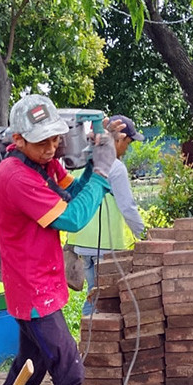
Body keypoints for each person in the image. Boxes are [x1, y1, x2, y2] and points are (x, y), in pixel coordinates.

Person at [0, 94, 123, 385]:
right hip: (32, 291)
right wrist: (105, 174)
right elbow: (75, 219)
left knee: (31, 367)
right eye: (41, 141)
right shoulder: (15, 176)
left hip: (43, 284)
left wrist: (96, 164)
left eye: (55, 139)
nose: (51, 147)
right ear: (18, 139)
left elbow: (72, 195)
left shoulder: (44, 165)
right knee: (69, 367)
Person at [70, 114, 148, 315]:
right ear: (119, 138)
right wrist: (145, 236)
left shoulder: (83, 160)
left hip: (82, 243)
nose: (126, 150)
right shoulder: (116, 167)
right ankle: (89, 342)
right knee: (100, 300)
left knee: (94, 293)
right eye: (127, 144)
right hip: (104, 246)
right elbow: (127, 207)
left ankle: (90, 338)